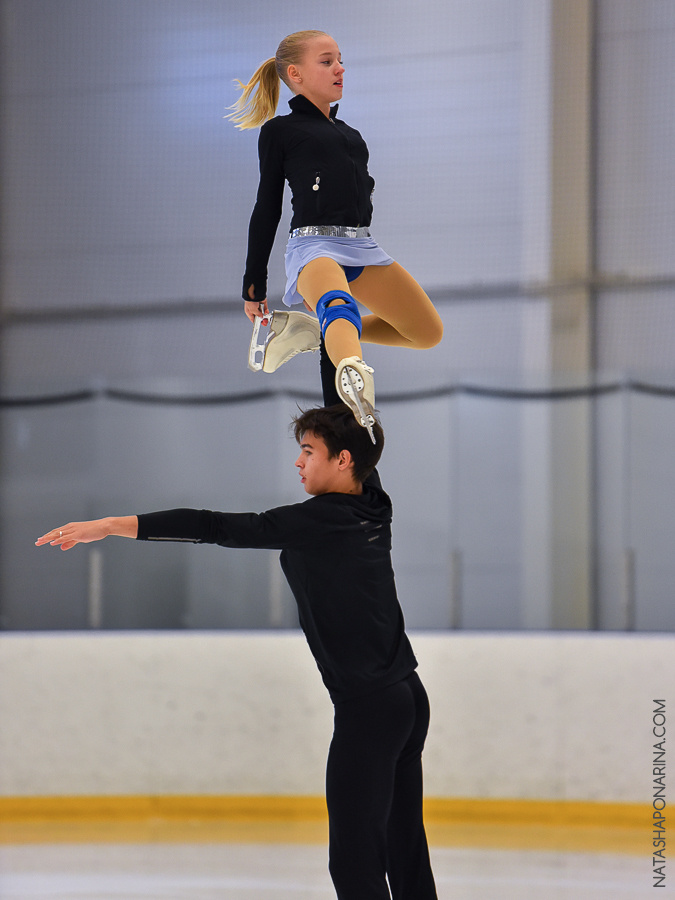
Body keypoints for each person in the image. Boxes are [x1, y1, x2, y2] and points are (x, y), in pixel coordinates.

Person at [35, 352, 438, 900]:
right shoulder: (372, 500)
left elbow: (214, 527)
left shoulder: (317, 521)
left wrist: (111, 525)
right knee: (402, 844)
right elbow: (348, 412)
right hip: (406, 698)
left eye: (307, 452)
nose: (298, 463)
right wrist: (329, 342)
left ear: (342, 461)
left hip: (369, 708)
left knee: (355, 860)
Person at [229, 30, 443, 437]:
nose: (340, 68)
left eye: (340, 60)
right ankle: (353, 378)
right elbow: (267, 206)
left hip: (362, 246)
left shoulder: (352, 137)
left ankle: (319, 331)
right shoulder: (280, 131)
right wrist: (253, 284)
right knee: (336, 302)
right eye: (326, 62)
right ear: (295, 74)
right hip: (313, 247)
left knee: (426, 332)